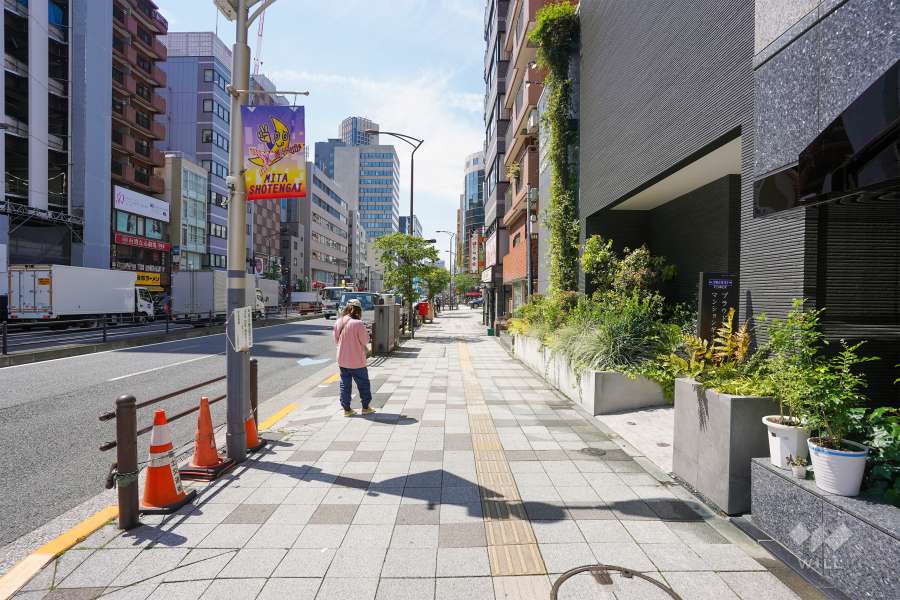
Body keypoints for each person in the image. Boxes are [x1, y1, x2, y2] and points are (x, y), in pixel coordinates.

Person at [333, 299, 374, 417]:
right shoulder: (358, 323)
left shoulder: (338, 322)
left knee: (345, 384)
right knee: (363, 384)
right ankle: (365, 407)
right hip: (357, 360)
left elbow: (336, 340)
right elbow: (366, 340)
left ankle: (347, 409)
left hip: (342, 359)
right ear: (358, 310)